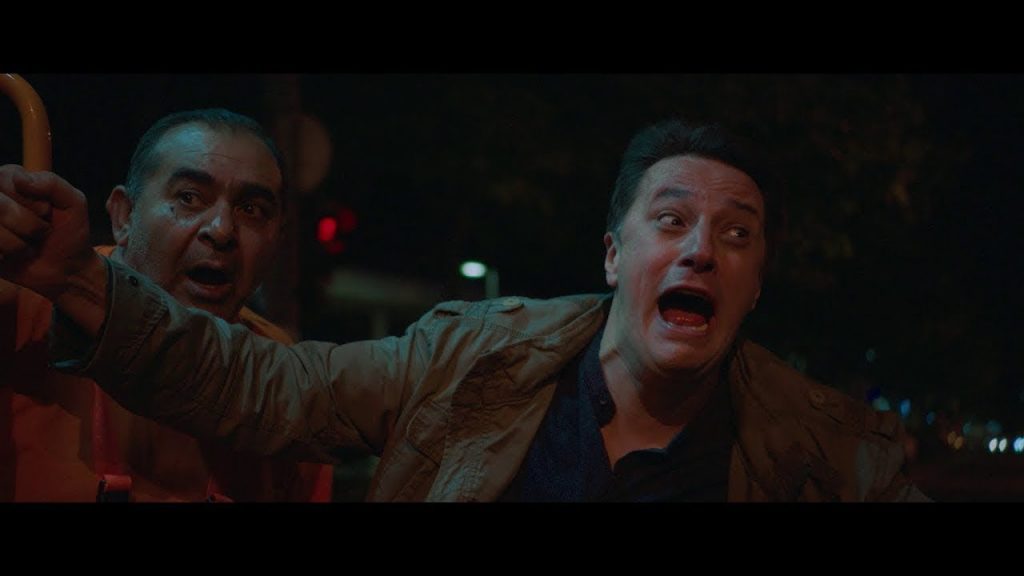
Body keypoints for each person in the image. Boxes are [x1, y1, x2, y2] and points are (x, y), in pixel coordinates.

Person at [0, 118, 927, 501]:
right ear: (615, 255)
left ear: (756, 283)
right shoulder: (463, 358)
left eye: (736, 235)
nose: (699, 251)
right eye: (673, 220)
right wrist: (78, 279)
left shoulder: (840, 461)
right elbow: (270, 385)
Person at [0, 108, 332, 502]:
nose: (222, 230)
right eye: (189, 198)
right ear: (124, 216)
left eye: (251, 209)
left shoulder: (280, 382)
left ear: (278, 242)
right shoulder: (23, 313)